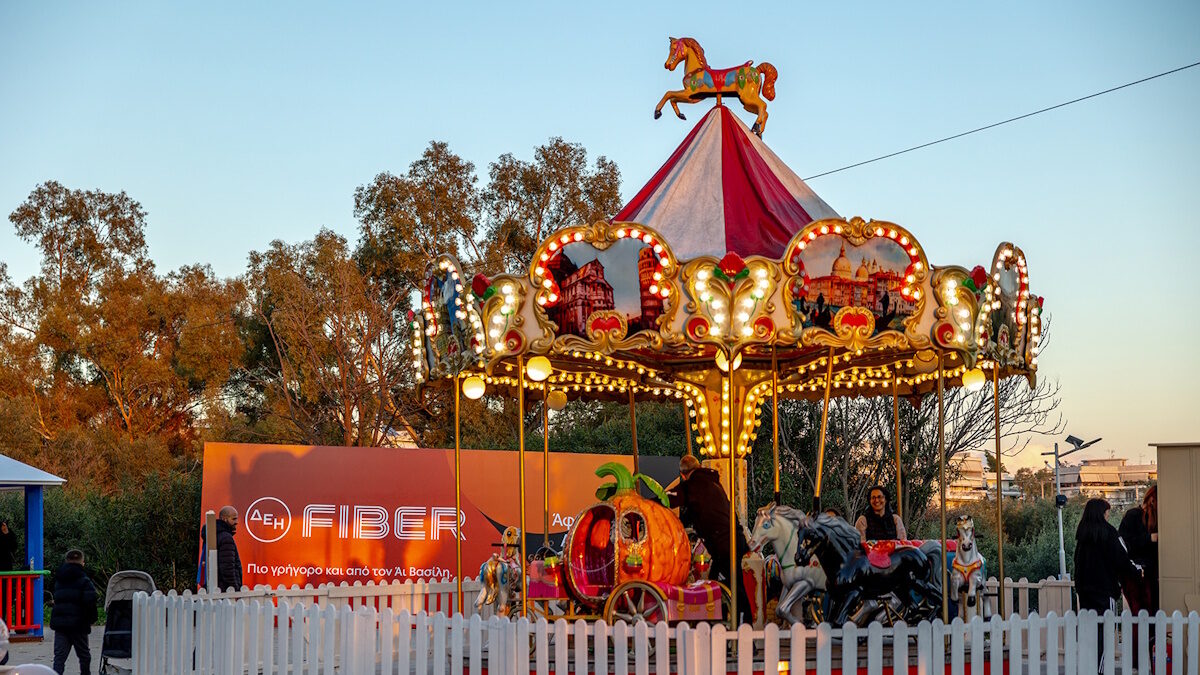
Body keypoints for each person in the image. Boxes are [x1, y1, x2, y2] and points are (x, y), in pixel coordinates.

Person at [667, 455, 752, 623]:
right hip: (735, 539)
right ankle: (722, 621)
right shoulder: (714, 483)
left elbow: (669, 498)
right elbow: (694, 513)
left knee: (732, 585)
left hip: (724, 544)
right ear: (698, 466)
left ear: (683, 475)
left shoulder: (692, 485)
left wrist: (648, 502)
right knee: (720, 583)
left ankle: (743, 624)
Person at [1119, 486, 1158, 667]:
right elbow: (1124, 544)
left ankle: (1147, 661)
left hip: (1152, 575)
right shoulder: (1133, 516)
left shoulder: (1156, 517)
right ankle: (1138, 661)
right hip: (1137, 575)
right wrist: (1150, 539)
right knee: (1141, 617)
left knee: (1151, 618)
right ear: (1151, 500)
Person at [50, 549, 97, 675]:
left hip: (61, 625)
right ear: (82, 563)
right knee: (84, 656)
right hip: (79, 624)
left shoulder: (59, 579)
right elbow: (90, 601)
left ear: (66, 561)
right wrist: (91, 619)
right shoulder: (85, 580)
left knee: (59, 657)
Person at [216, 506, 243, 592]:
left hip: (218, 587)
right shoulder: (226, 538)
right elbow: (227, 567)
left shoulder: (215, 534)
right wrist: (234, 589)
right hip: (226, 590)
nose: (236, 522)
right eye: (234, 519)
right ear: (224, 519)